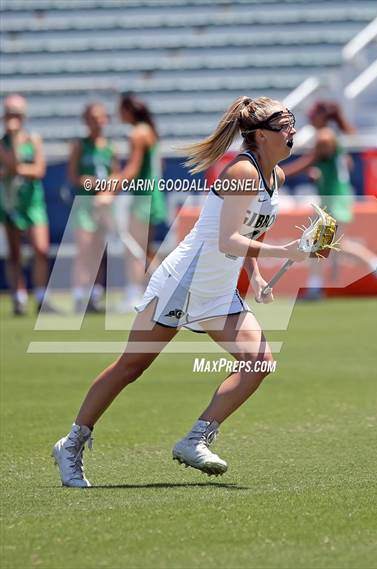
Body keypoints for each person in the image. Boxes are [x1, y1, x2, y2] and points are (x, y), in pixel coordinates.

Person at [52, 95, 307, 488]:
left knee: (259, 362)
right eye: (284, 123)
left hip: (217, 292)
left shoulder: (277, 176)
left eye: (292, 121)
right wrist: (281, 253)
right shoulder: (242, 172)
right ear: (259, 135)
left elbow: (252, 230)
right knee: (130, 368)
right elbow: (228, 239)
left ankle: (195, 439)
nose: (292, 130)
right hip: (182, 284)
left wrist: (255, 276)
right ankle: (71, 444)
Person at [283, 100, 377, 298]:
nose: (310, 117)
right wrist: (322, 174)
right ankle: (316, 287)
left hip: (334, 199)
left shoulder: (325, 137)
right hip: (338, 197)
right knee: (322, 244)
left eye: (314, 113)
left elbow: (308, 162)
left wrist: (278, 174)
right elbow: (345, 166)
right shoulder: (334, 136)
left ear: (322, 116)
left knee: (327, 244)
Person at [0, 94, 55, 315]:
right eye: (10, 114)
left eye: (17, 114)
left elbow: (38, 170)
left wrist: (17, 169)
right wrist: (12, 142)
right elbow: (10, 167)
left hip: (33, 203)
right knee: (14, 253)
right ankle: (19, 296)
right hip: (11, 202)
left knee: (40, 249)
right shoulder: (2, 143)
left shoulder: (33, 140)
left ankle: (41, 295)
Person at [116, 93, 168, 311]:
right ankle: (166, 289)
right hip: (152, 195)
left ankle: (135, 294)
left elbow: (132, 169)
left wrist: (109, 186)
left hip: (142, 198)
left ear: (128, 111)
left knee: (135, 249)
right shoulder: (149, 131)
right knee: (145, 249)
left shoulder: (137, 133)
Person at [68, 102, 118, 313]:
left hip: (103, 205)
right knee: (84, 250)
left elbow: (116, 174)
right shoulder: (80, 145)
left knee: (99, 251)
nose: (97, 122)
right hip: (85, 204)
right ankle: (80, 295)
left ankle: (95, 296)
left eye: (100, 117)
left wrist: (108, 190)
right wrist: (92, 183)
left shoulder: (110, 147)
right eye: (93, 118)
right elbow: (72, 176)